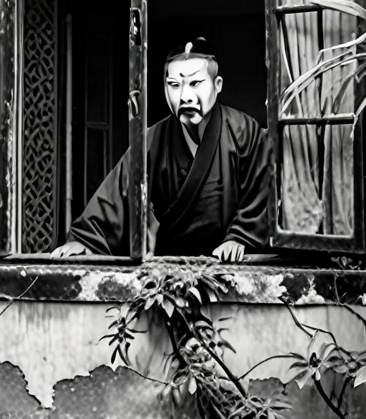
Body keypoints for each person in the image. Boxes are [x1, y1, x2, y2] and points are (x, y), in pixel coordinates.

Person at [53, 39, 272, 259]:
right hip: (171, 263)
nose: (185, 96)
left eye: (195, 83)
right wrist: (87, 240)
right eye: (174, 85)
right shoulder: (153, 139)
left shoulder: (243, 131)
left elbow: (262, 190)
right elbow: (120, 190)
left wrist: (240, 237)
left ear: (217, 85)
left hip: (229, 261)